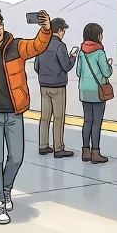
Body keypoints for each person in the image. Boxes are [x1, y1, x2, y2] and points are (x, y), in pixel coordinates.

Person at [0, 9, 51, 225]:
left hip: (14, 112)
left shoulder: (16, 45)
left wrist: (46, 29)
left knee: (16, 157)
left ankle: (6, 187)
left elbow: (37, 45)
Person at [34, 17, 77, 158]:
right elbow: (66, 66)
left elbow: (36, 66)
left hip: (44, 86)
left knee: (45, 117)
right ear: (59, 31)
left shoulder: (42, 44)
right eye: (63, 30)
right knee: (58, 117)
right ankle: (58, 148)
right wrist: (73, 58)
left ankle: (43, 145)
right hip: (58, 86)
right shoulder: (60, 46)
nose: (64, 32)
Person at [75, 23, 113, 164]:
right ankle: (95, 153)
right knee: (97, 122)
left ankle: (86, 151)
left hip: (84, 90)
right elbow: (106, 72)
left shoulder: (81, 51)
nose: (102, 36)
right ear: (96, 35)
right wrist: (109, 65)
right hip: (97, 91)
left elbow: (78, 72)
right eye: (100, 34)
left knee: (87, 121)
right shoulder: (99, 52)